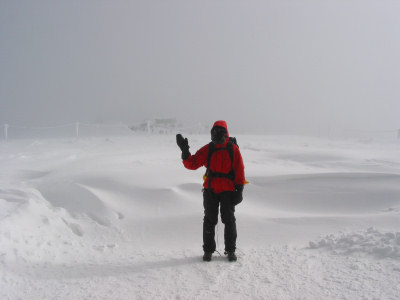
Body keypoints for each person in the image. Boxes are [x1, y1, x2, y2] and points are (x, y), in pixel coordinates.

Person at [176, 120, 246, 262]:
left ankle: (231, 250)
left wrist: (239, 189)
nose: (217, 134)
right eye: (215, 131)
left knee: (229, 221)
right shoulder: (209, 148)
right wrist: (185, 152)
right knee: (209, 221)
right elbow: (193, 163)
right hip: (211, 190)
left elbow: (240, 170)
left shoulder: (233, 149)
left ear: (226, 133)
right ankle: (208, 251)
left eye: (220, 131)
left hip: (227, 190)